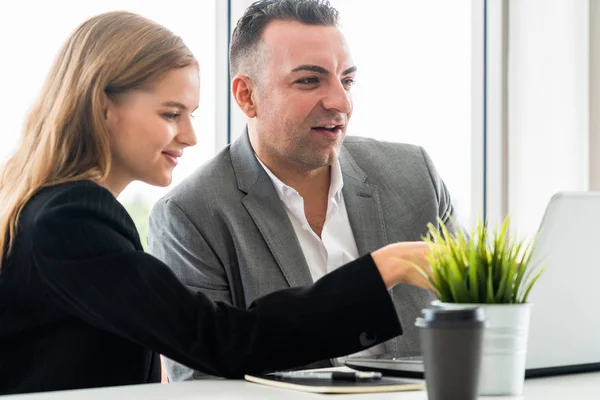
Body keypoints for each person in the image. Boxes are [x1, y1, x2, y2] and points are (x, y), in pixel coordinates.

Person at [0, 10, 436, 395]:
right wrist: (384, 269)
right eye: (171, 114)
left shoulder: (55, 212)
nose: (189, 136)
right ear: (103, 107)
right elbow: (222, 340)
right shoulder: (71, 220)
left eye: (191, 114)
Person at [148, 0, 459, 381]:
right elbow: (201, 386)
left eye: (347, 80)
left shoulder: (415, 175)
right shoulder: (191, 214)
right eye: (309, 81)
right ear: (247, 96)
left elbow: (481, 319)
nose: (341, 102)